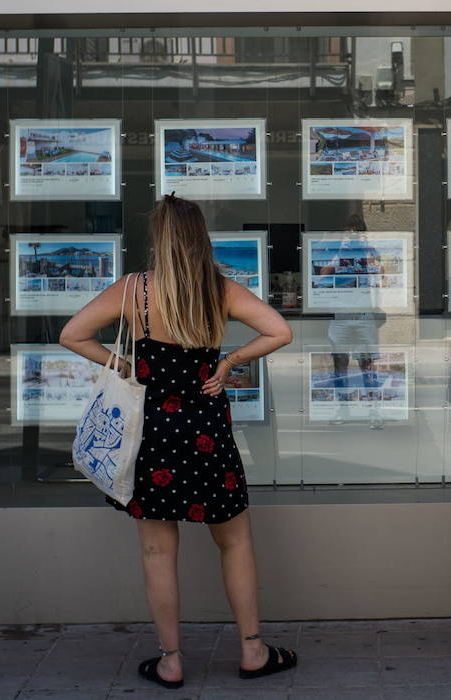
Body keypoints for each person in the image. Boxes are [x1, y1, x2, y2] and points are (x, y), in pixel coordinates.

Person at [60, 195, 297, 688]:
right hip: (207, 428)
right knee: (234, 542)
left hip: (153, 431)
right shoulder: (220, 290)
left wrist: (123, 366)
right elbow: (279, 330)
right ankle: (253, 651)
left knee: (156, 551)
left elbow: (73, 334)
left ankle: (170, 660)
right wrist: (228, 363)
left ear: (159, 238)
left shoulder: (135, 291)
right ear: (200, 238)